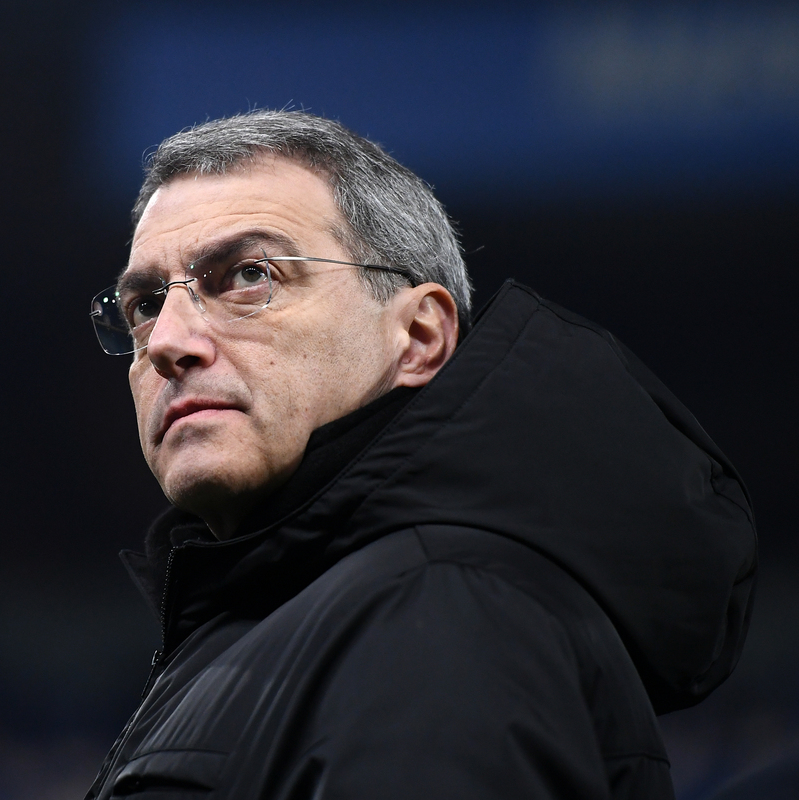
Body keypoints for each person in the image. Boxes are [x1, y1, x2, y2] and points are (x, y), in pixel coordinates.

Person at [84, 110, 757, 799]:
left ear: (419, 337)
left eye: (248, 275)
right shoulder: (341, 609)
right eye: (143, 304)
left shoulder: (443, 607)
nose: (166, 340)